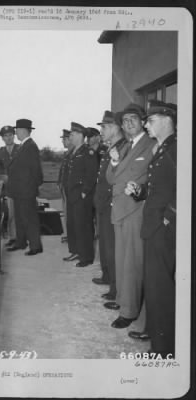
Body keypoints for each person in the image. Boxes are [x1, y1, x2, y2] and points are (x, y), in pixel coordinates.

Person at [125, 100, 177, 356]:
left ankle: (163, 350)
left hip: (162, 229)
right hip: (153, 226)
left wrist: (169, 217)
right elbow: (159, 188)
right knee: (155, 287)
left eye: (151, 120)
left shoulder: (176, 148)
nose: (146, 124)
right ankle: (156, 337)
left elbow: (181, 190)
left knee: (161, 290)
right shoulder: (163, 147)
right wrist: (140, 191)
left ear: (167, 121)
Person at [105, 103, 156, 329]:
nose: (128, 124)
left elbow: (151, 179)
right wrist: (114, 160)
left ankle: (130, 310)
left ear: (143, 121)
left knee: (132, 263)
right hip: (120, 209)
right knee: (122, 260)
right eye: (124, 121)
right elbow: (110, 178)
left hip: (136, 209)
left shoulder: (151, 144)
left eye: (133, 119)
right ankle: (122, 300)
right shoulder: (126, 145)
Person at [93, 111, 127, 300]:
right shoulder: (110, 148)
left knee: (113, 247)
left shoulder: (123, 148)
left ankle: (115, 287)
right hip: (104, 204)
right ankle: (107, 276)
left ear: (115, 127)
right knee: (106, 245)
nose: (101, 130)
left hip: (112, 204)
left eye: (104, 127)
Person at [63, 122, 98, 267]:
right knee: (72, 224)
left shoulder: (88, 152)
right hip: (71, 195)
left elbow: (91, 174)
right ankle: (76, 251)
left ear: (80, 136)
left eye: (72, 134)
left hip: (81, 196)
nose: (70, 136)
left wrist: (84, 192)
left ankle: (86, 256)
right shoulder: (73, 152)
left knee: (83, 225)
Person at [7, 119, 43, 256]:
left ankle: (35, 246)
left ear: (23, 130)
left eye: (17, 130)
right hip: (20, 190)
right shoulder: (24, 146)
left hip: (26, 190)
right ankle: (20, 242)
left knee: (29, 218)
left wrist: (32, 187)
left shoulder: (30, 146)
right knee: (20, 218)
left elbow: (36, 170)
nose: (15, 132)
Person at [0, 125, 20, 247]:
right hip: (10, 188)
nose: (8, 138)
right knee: (11, 213)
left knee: (23, 212)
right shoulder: (0, 153)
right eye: (6, 136)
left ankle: (23, 237)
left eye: (10, 135)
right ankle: (13, 237)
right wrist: (1, 181)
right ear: (2, 138)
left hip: (22, 186)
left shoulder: (21, 149)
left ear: (14, 136)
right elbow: (1, 170)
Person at [57, 129, 74, 243]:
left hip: (70, 188)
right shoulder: (67, 153)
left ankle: (71, 235)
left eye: (64, 139)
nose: (62, 141)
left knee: (70, 213)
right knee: (66, 211)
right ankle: (68, 234)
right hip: (64, 187)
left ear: (69, 139)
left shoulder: (73, 153)